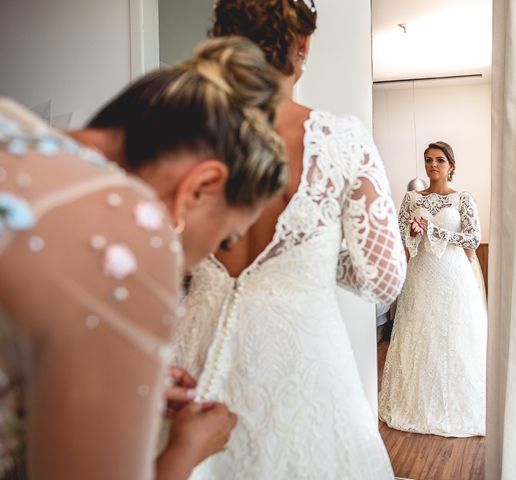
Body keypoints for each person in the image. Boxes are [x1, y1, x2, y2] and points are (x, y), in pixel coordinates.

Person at [0, 36, 287, 479]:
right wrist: (186, 452)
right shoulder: (130, 238)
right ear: (198, 187)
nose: (206, 258)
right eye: (225, 239)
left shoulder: (12, 122)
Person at [169, 0, 407, 478]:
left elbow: (159, 266)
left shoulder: (176, 139)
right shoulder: (340, 140)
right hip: (302, 371)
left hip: (191, 370)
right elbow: (382, 279)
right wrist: (317, 253)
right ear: (302, 45)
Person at [378, 141, 487, 437]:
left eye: (439, 160)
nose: (432, 165)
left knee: (454, 334)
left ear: (451, 165)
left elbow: (473, 238)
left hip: (454, 275)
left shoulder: (462, 198)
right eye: (428, 160)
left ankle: (458, 404)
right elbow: (401, 233)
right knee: (420, 332)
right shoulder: (412, 197)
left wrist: (433, 229)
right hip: (422, 273)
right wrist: (414, 231)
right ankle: (414, 404)